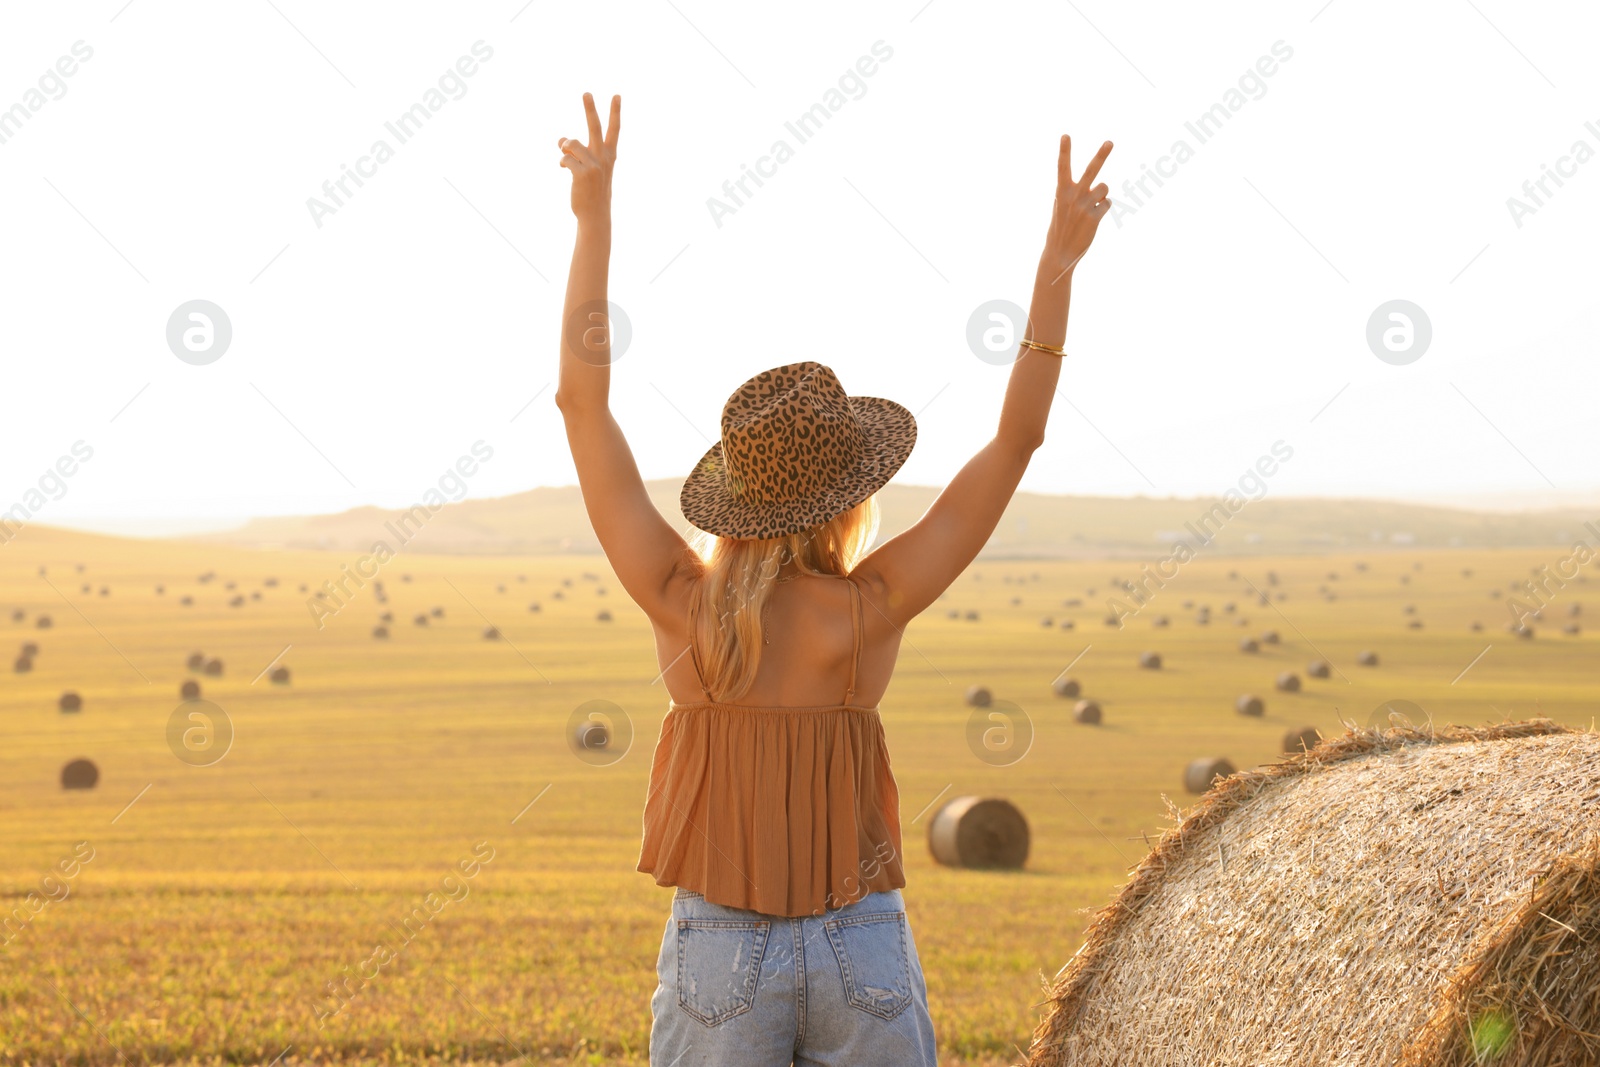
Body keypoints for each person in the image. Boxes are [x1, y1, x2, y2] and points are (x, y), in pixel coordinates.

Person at [556, 91, 1111, 1067]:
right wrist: (1057, 270)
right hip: (861, 940)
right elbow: (1016, 439)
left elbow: (580, 400)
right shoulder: (870, 608)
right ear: (848, 499)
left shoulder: (677, 601)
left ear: (740, 497)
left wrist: (593, 220)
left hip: (718, 944)